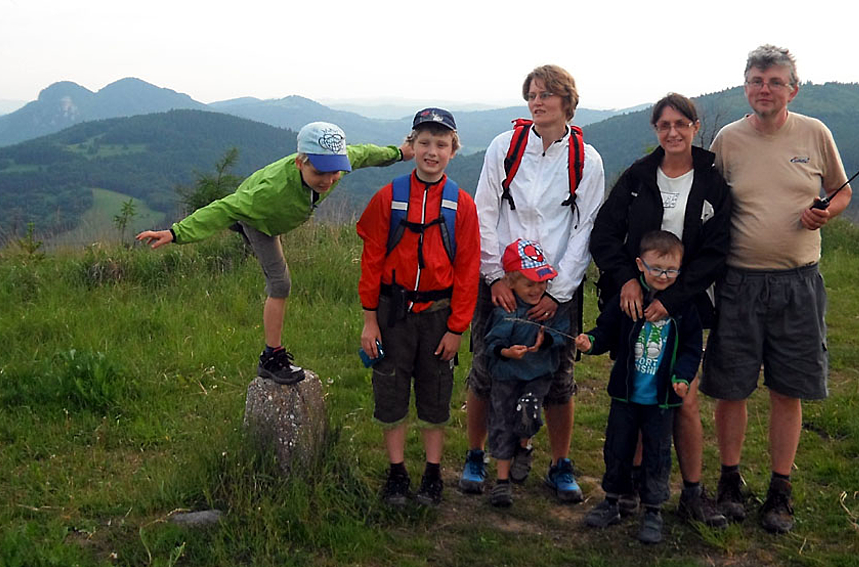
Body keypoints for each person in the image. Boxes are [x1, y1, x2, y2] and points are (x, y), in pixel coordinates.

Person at [703, 44, 853, 534]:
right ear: (746, 86)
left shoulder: (815, 133)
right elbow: (709, 202)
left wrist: (826, 212)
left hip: (797, 283)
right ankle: (729, 481)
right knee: (731, 388)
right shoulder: (728, 140)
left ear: (793, 89)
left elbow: (842, 190)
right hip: (738, 281)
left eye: (774, 81)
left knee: (789, 389)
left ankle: (780, 490)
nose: (764, 89)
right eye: (755, 81)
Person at [137, 122, 410, 385]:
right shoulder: (268, 193)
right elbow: (223, 208)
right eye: (319, 173)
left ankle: (271, 355)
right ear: (300, 163)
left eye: (335, 172)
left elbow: (364, 153)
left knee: (280, 278)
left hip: (277, 216)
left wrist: (399, 153)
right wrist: (175, 233)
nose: (328, 180)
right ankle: (271, 358)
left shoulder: (336, 162)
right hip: (259, 220)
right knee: (280, 284)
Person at [460, 65, 605, 503]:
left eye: (546, 94)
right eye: (532, 95)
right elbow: (485, 211)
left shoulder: (586, 160)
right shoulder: (505, 147)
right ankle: (476, 455)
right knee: (486, 370)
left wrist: (558, 293)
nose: (537, 102)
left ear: (567, 101)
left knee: (558, 379)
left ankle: (560, 464)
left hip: (556, 287)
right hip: (503, 282)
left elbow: (586, 228)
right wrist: (494, 277)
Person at [588, 93, 732, 527]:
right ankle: (630, 489)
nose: (673, 132)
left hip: (685, 306)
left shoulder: (711, 182)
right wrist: (627, 280)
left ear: (695, 127)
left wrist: (672, 299)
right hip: (633, 304)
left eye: (681, 124)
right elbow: (604, 234)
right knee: (637, 392)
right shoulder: (638, 176)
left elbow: (715, 252)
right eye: (664, 125)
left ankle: (692, 493)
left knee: (681, 398)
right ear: (655, 129)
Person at [356, 108, 479, 507]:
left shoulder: (461, 205)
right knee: (390, 391)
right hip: (392, 314)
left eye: (441, 144)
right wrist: (369, 321)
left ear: (452, 151)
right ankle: (397, 473)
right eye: (424, 143)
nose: (431, 152)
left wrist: (457, 329)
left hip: (439, 317)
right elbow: (371, 262)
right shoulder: (388, 198)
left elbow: (468, 271)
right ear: (411, 146)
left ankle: (432, 473)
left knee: (435, 394)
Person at [576, 230, 702, 544]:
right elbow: (605, 330)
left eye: (671, 270)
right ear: (640, 264)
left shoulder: (685, 308)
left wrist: (682, 377)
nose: (664, 276)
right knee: (617, 448)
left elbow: (691, 349)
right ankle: (612, 501)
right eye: (656, 268)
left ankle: (653, 510)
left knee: (657, 454)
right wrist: (590, 342)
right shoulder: (628, 299)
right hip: (625, 395)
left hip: (661, 401)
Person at [481, 239, 571, 508]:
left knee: (528, 410)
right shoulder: (505, 312)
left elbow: (562, 334)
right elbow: (491, 343)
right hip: (506, 376)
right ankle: (502, 480)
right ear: (510, 282)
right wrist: (507, 352)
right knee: (501, 421)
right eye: (529, 284)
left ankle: (524, 446)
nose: (537, 290)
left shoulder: (548, 310)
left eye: (542, 283)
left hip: (538, 375)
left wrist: (547, 339)